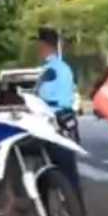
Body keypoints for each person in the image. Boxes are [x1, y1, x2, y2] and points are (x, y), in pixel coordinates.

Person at [34, 27, 82, 200]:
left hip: (54, 121)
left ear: (45, 46)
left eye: (39, 45)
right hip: (67, 119)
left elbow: (40, 96)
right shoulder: (65, 68)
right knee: (69, 171)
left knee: (47, 170)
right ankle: (77, 210)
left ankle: (51, 212)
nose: (38, 50)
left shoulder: (49, 70)